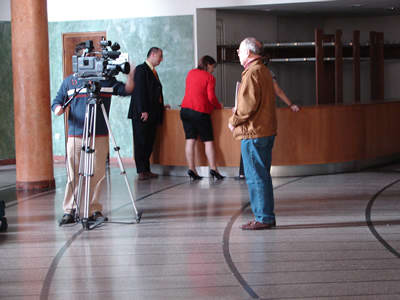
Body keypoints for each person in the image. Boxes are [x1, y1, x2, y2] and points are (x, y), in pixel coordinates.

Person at [51, 42, 135, 226]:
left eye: (92, 58)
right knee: (73, 174)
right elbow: (57, 101)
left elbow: (128, 90)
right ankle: (70, 210)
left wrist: (131, 74)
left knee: (98, 174)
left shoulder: (105, 81)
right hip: (75, 135)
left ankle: (94, 209)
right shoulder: (69, 82)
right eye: (85, 59)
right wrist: (58, 108)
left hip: (100, 135)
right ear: (78, 60)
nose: (90, 61)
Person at [228, 37, 277, 230]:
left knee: (256, 176)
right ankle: (265, 216)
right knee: (262, 175)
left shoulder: (252, 73)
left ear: (249, 52)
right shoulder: (264, 71)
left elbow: (248, 106)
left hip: (253, 133)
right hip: (265, 130)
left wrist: (233, 121)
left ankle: (263, 217)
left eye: (239, 51)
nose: (238, 54)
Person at [237, 57, 300, 180]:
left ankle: (243, 172)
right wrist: (290, 104)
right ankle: (255, 175)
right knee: (261, 157)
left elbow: (245, 98)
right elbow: (278, 91)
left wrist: (235, 119)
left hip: (251, 120)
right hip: (264, 121)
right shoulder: (267, 73)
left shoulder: (250, 72)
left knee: (249, 146)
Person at [180, 55, 224, 180]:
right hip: (200, 112)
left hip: (185, 110)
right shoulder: (210, 77)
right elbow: (211, 97)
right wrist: (218, 106)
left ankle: (192, 169)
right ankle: (214, 169)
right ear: (208, 65)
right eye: (213, 67)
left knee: (190, 140)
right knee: (208, 141)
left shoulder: (191, 73)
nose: (213, 69)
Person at [128, 47, 169, 180]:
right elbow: (139, 91)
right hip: (142, 114)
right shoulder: (141, 69)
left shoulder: (152, 71)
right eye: (160, 56)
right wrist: (142, 110)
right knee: (141, 142)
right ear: (152, 54)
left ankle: (146, 169)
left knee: (148, 141)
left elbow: (152, 92)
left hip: (152, 113)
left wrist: (161, 106)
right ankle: (141, 170)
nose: (161, 59)